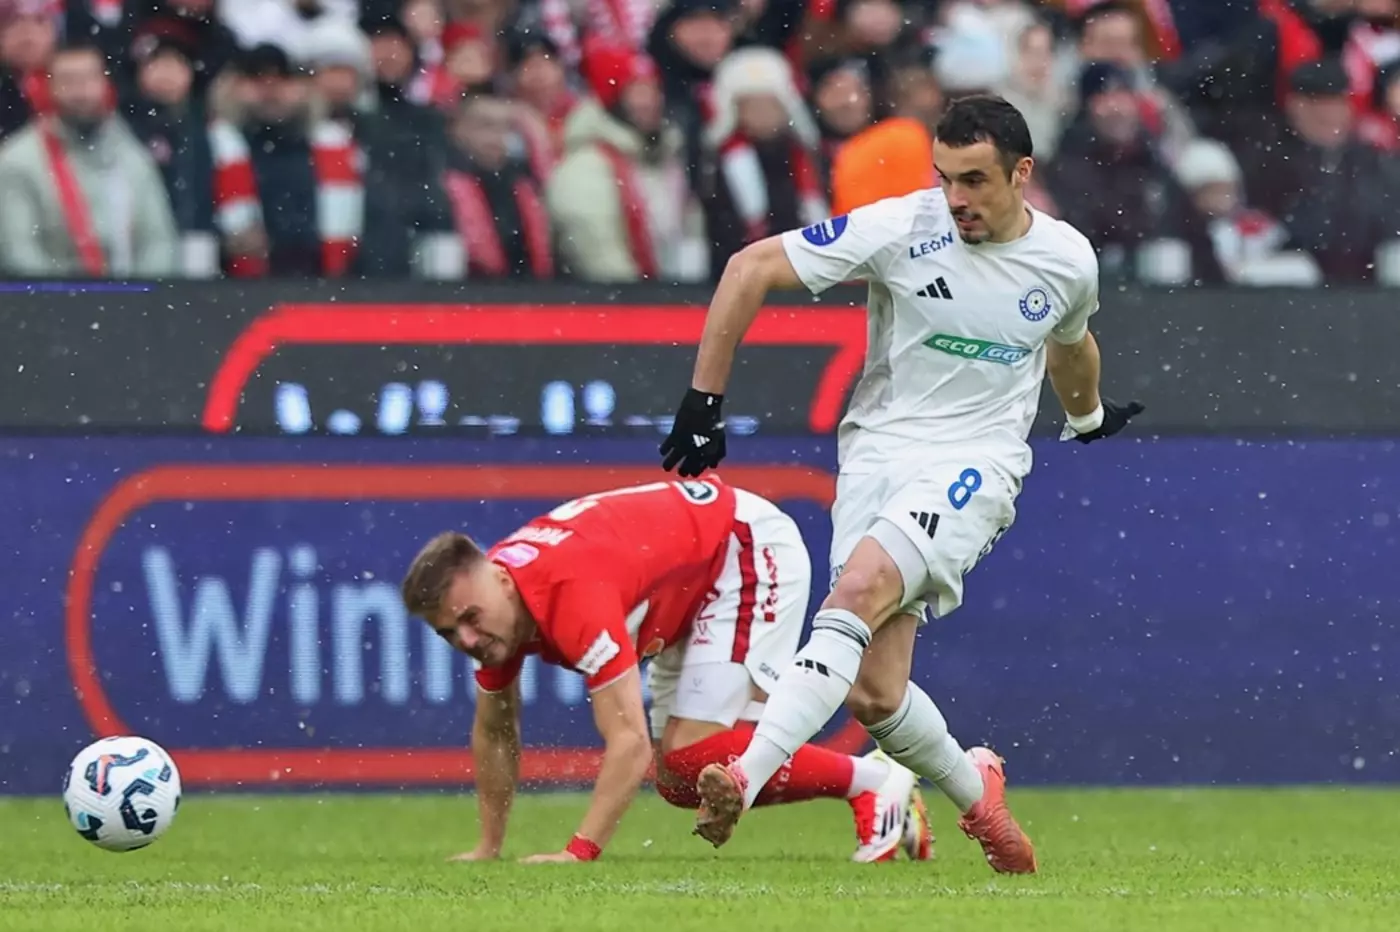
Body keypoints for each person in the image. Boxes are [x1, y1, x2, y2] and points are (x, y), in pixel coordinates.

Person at [657, 95, 1145, 874]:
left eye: (975, 180)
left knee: (854, 593)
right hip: (877, 455)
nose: (956, 198)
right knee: (876, 694)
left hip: (976, 461)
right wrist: (702, 401)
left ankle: (743, 777)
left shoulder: (1066, 259)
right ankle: (982, 800)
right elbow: (749, 267)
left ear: (1021, 173)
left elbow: (1071, 342)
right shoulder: (903, 228)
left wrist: (1086, 416)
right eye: (945, 178)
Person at [400, 478, 935, 864]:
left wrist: (579, 852)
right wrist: (488, 847)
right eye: (449, 633)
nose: (466, 641)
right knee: (681, 780)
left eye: (470, 620)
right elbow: (495, 731)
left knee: (687, 753)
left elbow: (629, 744)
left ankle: (875, 782)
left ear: (500, 578)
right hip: (690, 587)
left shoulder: (569, 594)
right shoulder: (499, 605)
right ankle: (872, 783)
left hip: (743, 549)